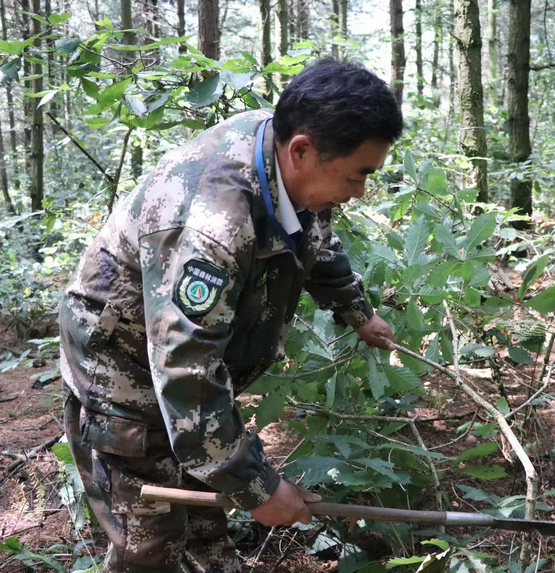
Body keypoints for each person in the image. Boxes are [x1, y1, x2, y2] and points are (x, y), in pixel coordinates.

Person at [59, 58, 404, 572]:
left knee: (207, 533)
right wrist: (258, 486)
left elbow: (314, 237)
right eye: (358, 176)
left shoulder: (293, 161)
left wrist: (356, 311)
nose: (360, 192)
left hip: (184, 376)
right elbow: (186, 369)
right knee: (150, 542)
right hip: (124, 374)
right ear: (302, 150)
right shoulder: (213, 224)